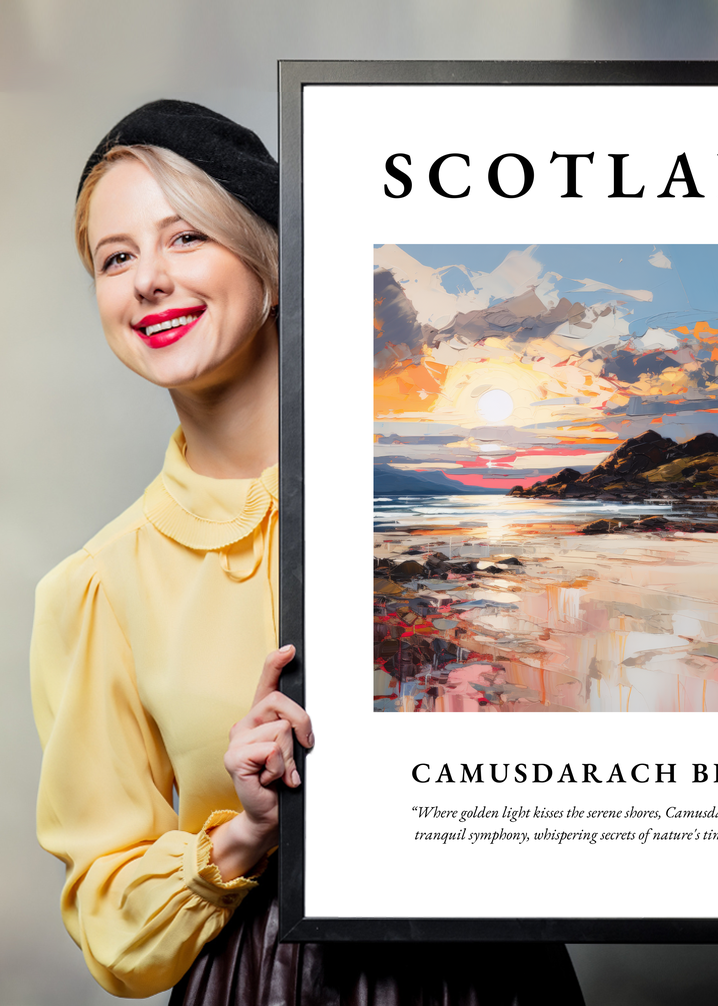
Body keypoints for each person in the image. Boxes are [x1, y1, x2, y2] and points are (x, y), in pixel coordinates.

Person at [30, 100, 585, 1004]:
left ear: (273, 265)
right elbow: (110, 925)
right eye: (116, 257)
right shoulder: (97, 587)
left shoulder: (456, 519)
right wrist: (245, 832)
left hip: (492, 972)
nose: (148, 281)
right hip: (263, 981)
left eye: (186, 239)